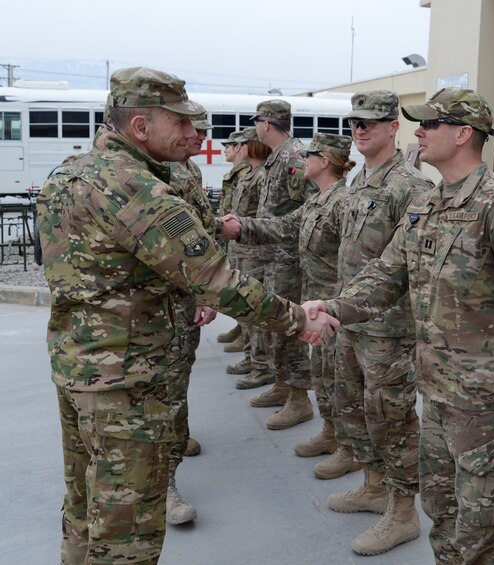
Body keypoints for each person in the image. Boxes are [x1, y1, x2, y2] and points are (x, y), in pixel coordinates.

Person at [37, 66, 339, 565]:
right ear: (140, 127)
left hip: (80, 370)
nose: (192, 134)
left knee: (86, 510)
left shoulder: (72, 173)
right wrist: (296, 319)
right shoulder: (134, 189)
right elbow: (213, 277)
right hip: (129, 384)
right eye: (178, 123)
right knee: (127, 532)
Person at [302, 87, 494, 563]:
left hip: (491, 406)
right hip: (436, 393)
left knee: (487, 526)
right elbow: (385, 274)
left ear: (463, 135)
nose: (419, 131)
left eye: (429, 124)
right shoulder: (426, 205)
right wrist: (333, 308)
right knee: (442, 511)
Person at [316, 90, 433, 556]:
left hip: (390, 327)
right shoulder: (358, 182)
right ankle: (373, 486)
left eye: (370, 122)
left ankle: (403, 511)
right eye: (354, 123)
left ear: (393, 127)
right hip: (352, 318)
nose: (359, 130)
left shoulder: (410, 186)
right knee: (352, 407)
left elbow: (413, 267)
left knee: (392, 418)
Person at [221, 132, 360, 478]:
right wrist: (242, 227)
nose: (303, 160)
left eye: (310, 154)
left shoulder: (344, 202)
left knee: (341, 379)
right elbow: (286, 226)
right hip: (318, 303)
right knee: (323, 373)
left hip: (337, 308)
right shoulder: (318, 201)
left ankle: (350, 447)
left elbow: (355, 260)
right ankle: (332, 434)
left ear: (324, 161)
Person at [162, 109, 219, 525]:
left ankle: (177, 437)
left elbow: (203, 230)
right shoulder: (158, 175)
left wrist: (206, 291)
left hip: (184, 299)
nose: (198, 138)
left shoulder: (189, 171)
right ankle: (162, 487)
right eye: (192, 130)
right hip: (157, 304)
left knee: (178, 374)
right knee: (159, 390)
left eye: (201, 131)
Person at [248, 100, 318, 430]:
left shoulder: (293, 158)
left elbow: (310, 205)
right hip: (274, 256)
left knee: (291, 326)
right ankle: (283, 385)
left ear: (266, 124)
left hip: (289, 258)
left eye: (259, 122)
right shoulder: (279, 158)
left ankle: (300, 397)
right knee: (276, 324)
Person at [227, 128, 276, 390]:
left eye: (245, 143)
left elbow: (261, 217)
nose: (240, 147)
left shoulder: (261, 176)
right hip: (242, 249)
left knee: (255, 310)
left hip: (255, 252)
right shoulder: (250, 175)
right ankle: (251, 356)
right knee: (245, 308)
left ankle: (261, 364)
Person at [215, 130, 252, 350]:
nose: (225, 149)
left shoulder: (247, 172)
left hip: (242, 238)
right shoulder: (236, 173)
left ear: (240, 147)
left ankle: (247, 336)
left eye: (230, 145)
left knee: (243, 287)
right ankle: (242, 326)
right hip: (232, 237)